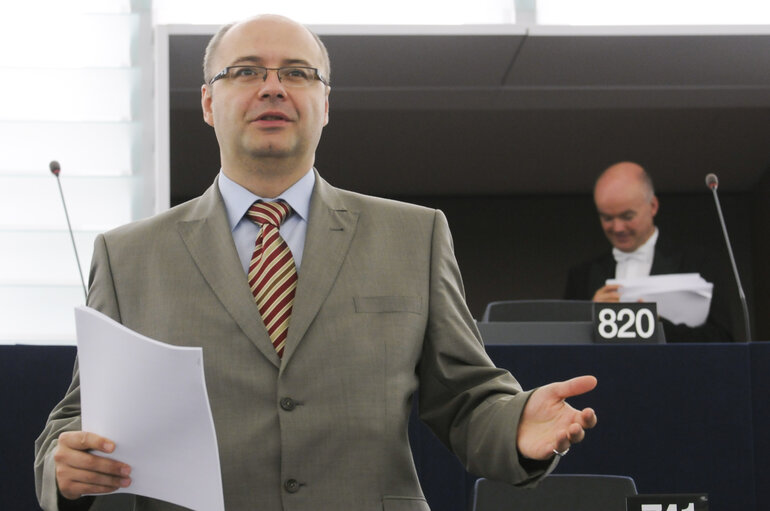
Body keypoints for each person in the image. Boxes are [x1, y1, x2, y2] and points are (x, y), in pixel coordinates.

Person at [35, 14, 598, 511]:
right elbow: (81, 418)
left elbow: (466, 399)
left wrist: (515, 425)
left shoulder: (414, 236)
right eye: (247, 71)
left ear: (325, 103)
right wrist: (62, 468)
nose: (273, 88)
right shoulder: (129, 255)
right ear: (208, 101)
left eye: (298, 73)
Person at [564, 161, 734, 342]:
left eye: (627, 216)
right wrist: (589, 315)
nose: (618, 227)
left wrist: (656, 326)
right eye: (607, 218)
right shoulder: (581, 276)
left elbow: (722, 340)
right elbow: (563, 344)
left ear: (653, 206)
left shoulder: (698, 263)